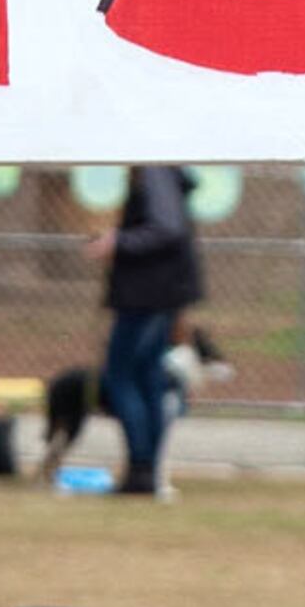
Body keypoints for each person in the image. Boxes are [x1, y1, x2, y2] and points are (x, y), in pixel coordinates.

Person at [98, 165, 203, 497]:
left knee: (122, 375)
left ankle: (142, 466)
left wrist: (119, 241)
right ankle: (149, 469)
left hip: (147, 293)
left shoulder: (155, 171)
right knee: (148, 376)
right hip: (162, 290)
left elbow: (165, 227)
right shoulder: (167, 173)